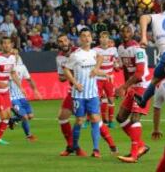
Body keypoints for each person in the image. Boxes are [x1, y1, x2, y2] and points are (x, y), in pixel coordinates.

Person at [56, 33, 117, 156]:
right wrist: (71, 77)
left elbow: (99, 57)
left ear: (70, 41)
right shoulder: (60, 58)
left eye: (65, 40)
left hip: (89, 90)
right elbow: (62, 77)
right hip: (75, 91)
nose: (63, 43)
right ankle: (72, 146)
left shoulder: (80, 50)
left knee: (95, 118)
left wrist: (97, 69)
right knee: (64, 117)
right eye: (60, 42)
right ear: (58, 44)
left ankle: (109, 145)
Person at [115, 24, 151, 163]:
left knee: (135, 118)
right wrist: (126, 88)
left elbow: (139, 73)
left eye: (128, 31)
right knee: (121, 118)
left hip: (143, 86)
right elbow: (125, 69)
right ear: (120, 34)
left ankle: (134, 155)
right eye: (123, 31)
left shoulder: (138, 50)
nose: (125, 34)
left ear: (133, 33)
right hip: (132, 86)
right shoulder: (121, 49)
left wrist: (123, 86)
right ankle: (141, 146)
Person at [8, 51, 42, 141]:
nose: (15, 55)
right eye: (13, 53)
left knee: (30, 116)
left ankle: (12, 119)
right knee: (24, 117)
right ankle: (29, 136)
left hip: (21, 96)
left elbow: (29, 79)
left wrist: (35, 90)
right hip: (11, 97)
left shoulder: (22, 67)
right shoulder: (8, 67)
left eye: (16, 53)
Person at [93, 31, 119, 128]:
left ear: (109, 39)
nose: (104, 39)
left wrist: (116, 65)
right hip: (98, 78)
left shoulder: (113, 49)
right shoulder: (95, 50)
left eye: (106, 37)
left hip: (109, 79)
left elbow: (116, 62)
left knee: (111, 99)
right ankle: (96, 120)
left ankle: (111, 121)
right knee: (96, 100)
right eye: (102, 37)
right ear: (99, 39)